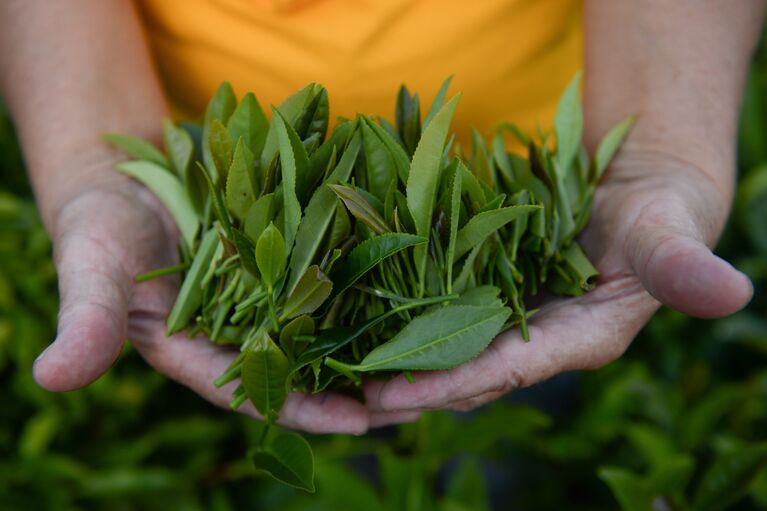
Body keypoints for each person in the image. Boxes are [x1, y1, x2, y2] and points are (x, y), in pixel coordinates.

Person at [0, 0, 763, 434]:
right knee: (289, 391)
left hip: (531, 190)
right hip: (217, 182)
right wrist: (97, 160)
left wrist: (656, 141)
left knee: (495, 375)